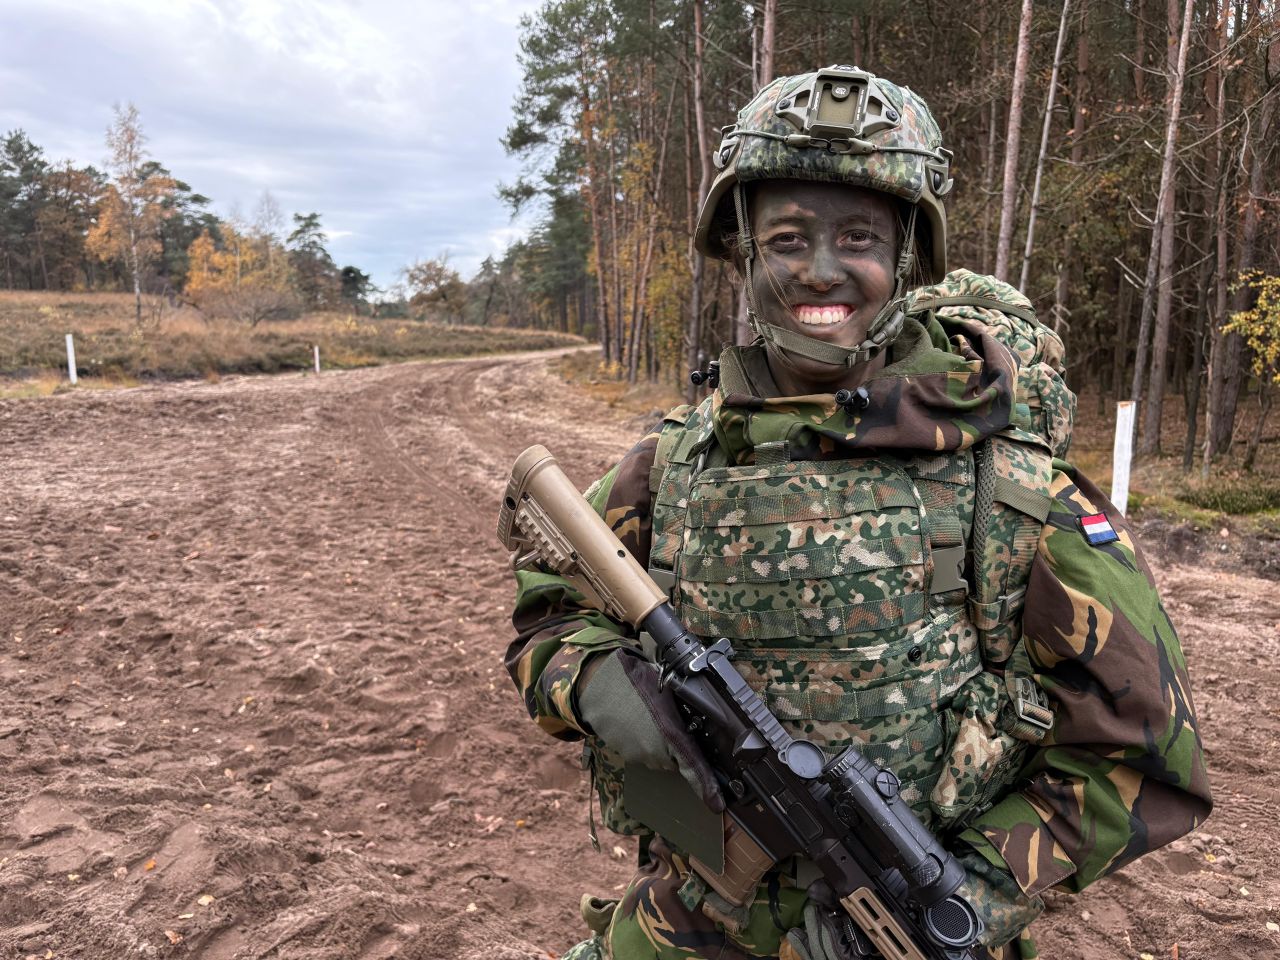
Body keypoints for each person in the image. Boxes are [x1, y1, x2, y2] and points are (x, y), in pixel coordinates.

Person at [505, 65, 1210, 960]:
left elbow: (1147, 761)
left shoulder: (1011, 490)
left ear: (907, 255)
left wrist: (962, 904)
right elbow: (546, 610)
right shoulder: (670, 469)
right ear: (744, 251)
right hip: (691, 919)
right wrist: (596, 683)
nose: (823, 269)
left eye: (859, 237)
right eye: (789, 237)